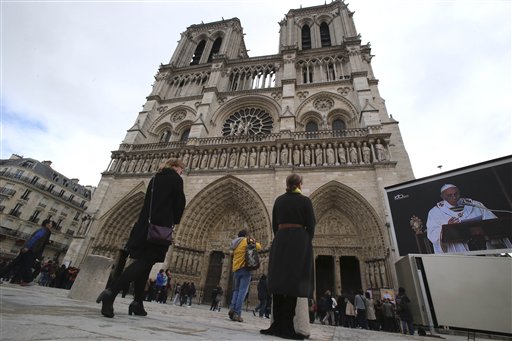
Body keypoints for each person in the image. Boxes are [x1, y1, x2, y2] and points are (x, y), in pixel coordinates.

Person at [96, 158, 186, 318]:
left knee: (145, 264)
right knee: (145, 262)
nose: (182, 171)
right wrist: (174, 220)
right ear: (174, 167)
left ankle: (138, 302)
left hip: (144, 226)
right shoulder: (175, 180)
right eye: (181, 168)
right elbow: (179, 205)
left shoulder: (155, 178)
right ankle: (111, 292)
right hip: (159, 227)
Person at [261, 173, 316, 340]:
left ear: (287, 184)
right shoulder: (305, 201)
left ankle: (275, 325)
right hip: (299, 241)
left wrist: (281, 236)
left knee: (277, 282)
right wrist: (305, 240)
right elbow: (311, 225)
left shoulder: (279, 200)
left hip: (281, 238)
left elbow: (274, 224)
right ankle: (287, 328)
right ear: (299, 184)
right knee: (293, 283)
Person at [426, 184, 510, 253]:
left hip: (484, 244)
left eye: (456, 194)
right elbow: (432, 234)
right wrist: (448, 228)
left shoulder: (474, 204)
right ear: (443, 197)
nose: (454, 197)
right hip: (458, 248)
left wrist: (481, 227)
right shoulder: (435, 212)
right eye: (449, 195)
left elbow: (493, 222)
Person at [0, 219, 54, 286]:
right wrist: (27, 247)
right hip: (29, 250)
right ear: (47, 224)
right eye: (51, 224)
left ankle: (17, 280)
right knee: (27, 265)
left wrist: (48, 242)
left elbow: (40, 241)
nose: (52, 226)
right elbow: (35, 238)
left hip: (29, 250)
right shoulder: (43, 231)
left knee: (15, 264)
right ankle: (27, 280)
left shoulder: (44, 231)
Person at [228, 229, 262, 322]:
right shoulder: (247, 240)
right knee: (242, 292)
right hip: (245, 268)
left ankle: (232, 308)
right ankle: (237, 313)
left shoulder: (233, 243)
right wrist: (253, 239)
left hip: (235, 269)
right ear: (246, 235)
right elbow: (259, 247)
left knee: (236, 291)